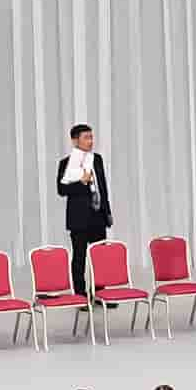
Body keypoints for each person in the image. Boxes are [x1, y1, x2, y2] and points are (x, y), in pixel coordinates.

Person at [54, 123, 115, 297]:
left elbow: (103, 187)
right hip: (79, 219)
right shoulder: (66, 163)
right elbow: (62, 190)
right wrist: (81, 182)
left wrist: (107, 211)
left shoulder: (97, 159)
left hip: (98, 216)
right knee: (79, 257)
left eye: (91, 137)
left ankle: (100, 294)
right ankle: (80, 295)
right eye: (86, 137)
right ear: (75, 140)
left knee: (100, 258)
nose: (90, 141)